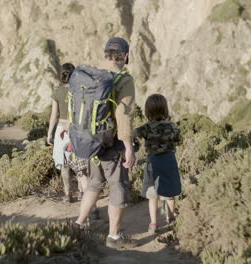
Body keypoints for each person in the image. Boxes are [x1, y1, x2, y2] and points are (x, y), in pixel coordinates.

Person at [74, 37, 138, 249]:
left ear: (105, 54)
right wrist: (128, 147)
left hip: (92, 141)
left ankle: (79, 224)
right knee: (118, 187)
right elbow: (124, 116)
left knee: (94, 183)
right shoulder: (123, 79)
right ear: (126, 56)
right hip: (112, 144)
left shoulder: (93, 73)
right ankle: (114, 236)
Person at [133, 94, 182, 234]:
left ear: (147, 111)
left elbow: (132, 133)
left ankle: (153, 223)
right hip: (168, 160)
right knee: (170, 192)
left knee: (152, 194)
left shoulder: (146, 128)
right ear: (165, 109)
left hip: (152, 162)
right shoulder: (171, 126)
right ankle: (171, 218)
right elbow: (179, 140)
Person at [47, 63, 77, 202]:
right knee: (79, 161)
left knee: (64, 162)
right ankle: (83, 191)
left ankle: (67, 194)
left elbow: (54, 115)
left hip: (61, 129)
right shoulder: (78, 90)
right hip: (77, 128)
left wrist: (49, 133)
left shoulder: (57, 91)